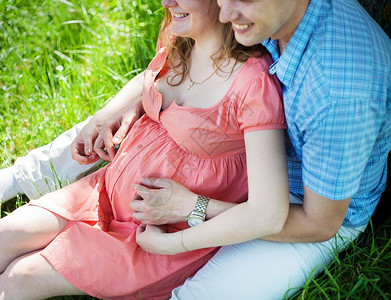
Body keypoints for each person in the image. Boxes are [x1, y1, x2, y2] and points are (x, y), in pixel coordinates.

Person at [1, 0, 390, 298]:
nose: (227, 11)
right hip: (187, 159)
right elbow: (175, 75)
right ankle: (21, 178)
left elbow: (316, 222)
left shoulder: (337, 90)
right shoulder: (251, 20)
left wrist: (191, 212)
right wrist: (123, 104)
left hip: (306, 203)